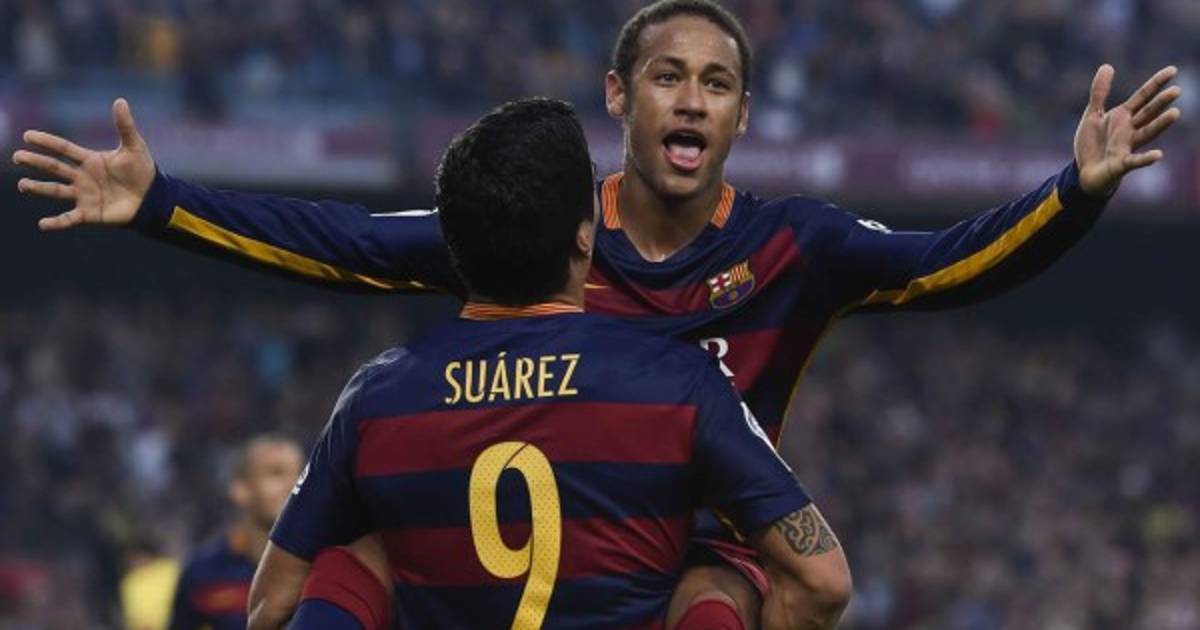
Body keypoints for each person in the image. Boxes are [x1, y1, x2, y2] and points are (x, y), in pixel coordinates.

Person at [12, 1, 1182, 625]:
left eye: (717, 83)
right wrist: (162, 204)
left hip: (695, 562)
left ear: (741, 117)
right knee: (361, 558)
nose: (693, 100)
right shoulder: (543, 231)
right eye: (669, 75)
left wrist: (1072, 194)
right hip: (548, 549)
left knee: (715, 596)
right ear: (620, 95)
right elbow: (345, 245)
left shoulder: (795, 245)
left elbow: (948, 266)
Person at [246, 97, 850, 629]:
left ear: (453, 245)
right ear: (585, 236)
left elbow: (271, 606)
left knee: (356, 560)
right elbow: (823, 583)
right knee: (717, 586)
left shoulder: (376, 400)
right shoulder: (679, 384)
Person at [168, 436, 303, 630]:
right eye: (275, 473)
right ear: (241, 489)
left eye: (301, 474)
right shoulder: (203, 572)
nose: (294, 485)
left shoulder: (325, 565)